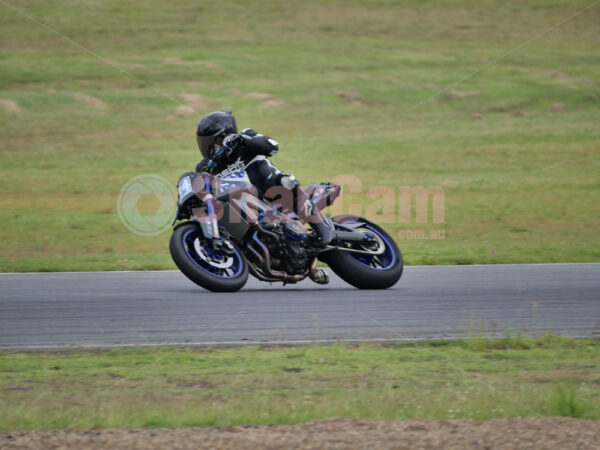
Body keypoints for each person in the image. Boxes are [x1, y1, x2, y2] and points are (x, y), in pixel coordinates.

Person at [194, 111, 333, 246]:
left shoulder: (244, 138)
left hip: (271, 189)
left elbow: (272, 147)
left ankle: (322, 230)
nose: (207, 148)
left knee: (282, 182)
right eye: (204, 143)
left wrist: (243, 138)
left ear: (225, 135)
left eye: (211, 142)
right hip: (241, 205)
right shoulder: (206, 167)